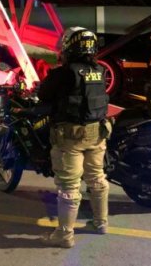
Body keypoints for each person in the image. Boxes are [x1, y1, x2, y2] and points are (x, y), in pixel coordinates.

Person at [37, 26, 111, 249]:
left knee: (69, 185)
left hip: (71, 137)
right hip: (97, 134)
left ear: (69, 46)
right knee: (97, 179)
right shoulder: (99, 70)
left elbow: (43, 95)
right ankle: (100, 223)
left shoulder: (65, 73)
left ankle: (64, 235)